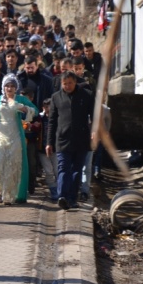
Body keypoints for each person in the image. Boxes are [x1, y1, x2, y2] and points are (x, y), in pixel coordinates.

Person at [0, 74, 37, 205]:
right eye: (7, 86)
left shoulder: (20, 98)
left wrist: (21, 107)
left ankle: (9, 195)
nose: (9, 88)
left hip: (15, 136)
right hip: (0, 136)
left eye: (12, 86)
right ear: (3, 87)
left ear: (16, 88)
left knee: (13, 164)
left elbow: (35, 111)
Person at [46, 71, 94, 210]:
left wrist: (94, 132)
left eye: (70, 83)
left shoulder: (87, 95)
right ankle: (62, 196)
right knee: (63, 168)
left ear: (75, 82)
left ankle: (72, 198)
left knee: (76, 170)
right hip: (62, 139)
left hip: (81, 139)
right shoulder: (56, 97)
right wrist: (49, 142)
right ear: (61, 84)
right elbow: (52, 121)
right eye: (64, 84)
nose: (67, 86)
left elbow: (94, 116)